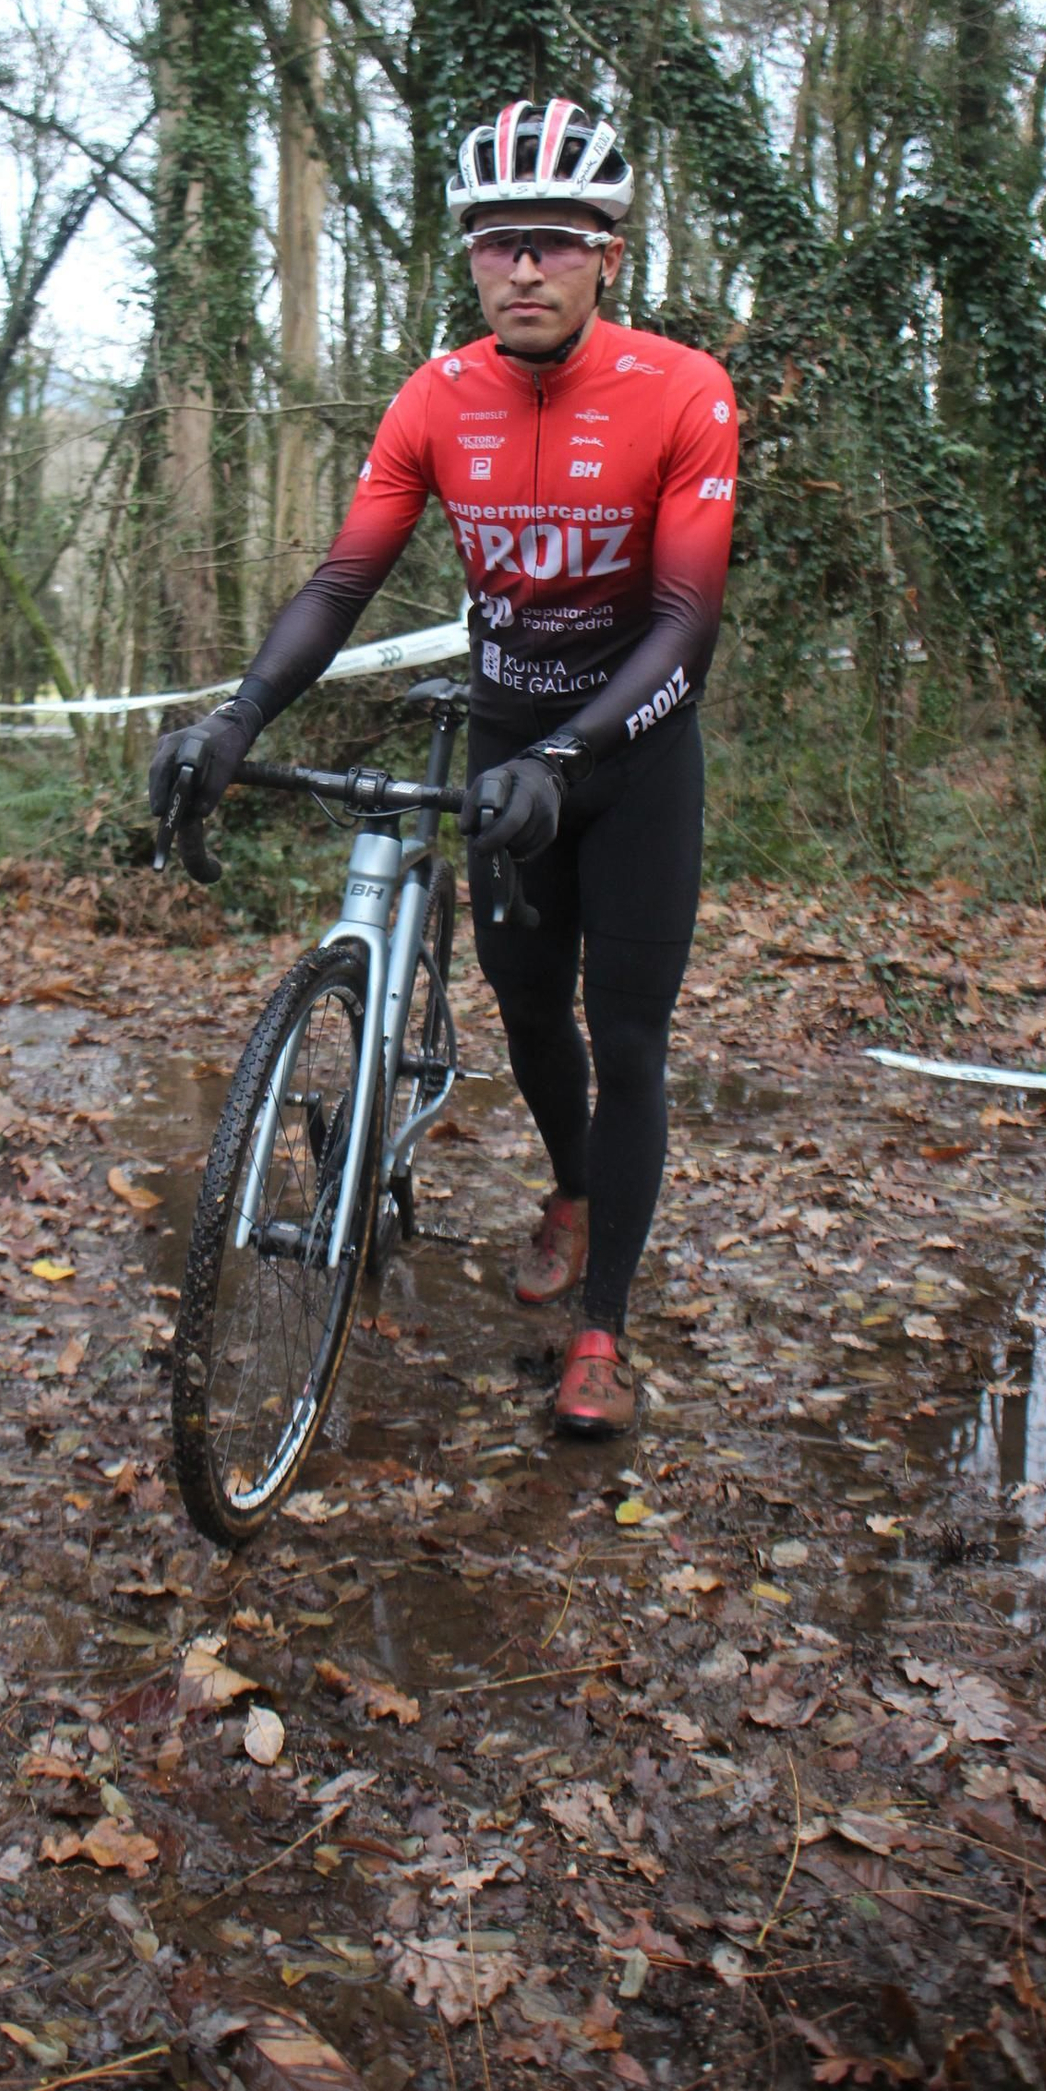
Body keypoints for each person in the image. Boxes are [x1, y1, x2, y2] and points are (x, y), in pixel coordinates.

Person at [149, 99, 737, 1437]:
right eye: (495, 242)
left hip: (635, 754)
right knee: (527, 1015)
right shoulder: (440, 397)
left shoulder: (682, 390)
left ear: (608, 255)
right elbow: (344, 581)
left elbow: (686, 626)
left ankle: (606, 1329)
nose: (522, 266)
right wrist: (235, 723)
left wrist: (576, 753)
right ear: (470, 258)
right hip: (506, 736)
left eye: (553, 241)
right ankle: (573, 1194)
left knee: (628, 1037)